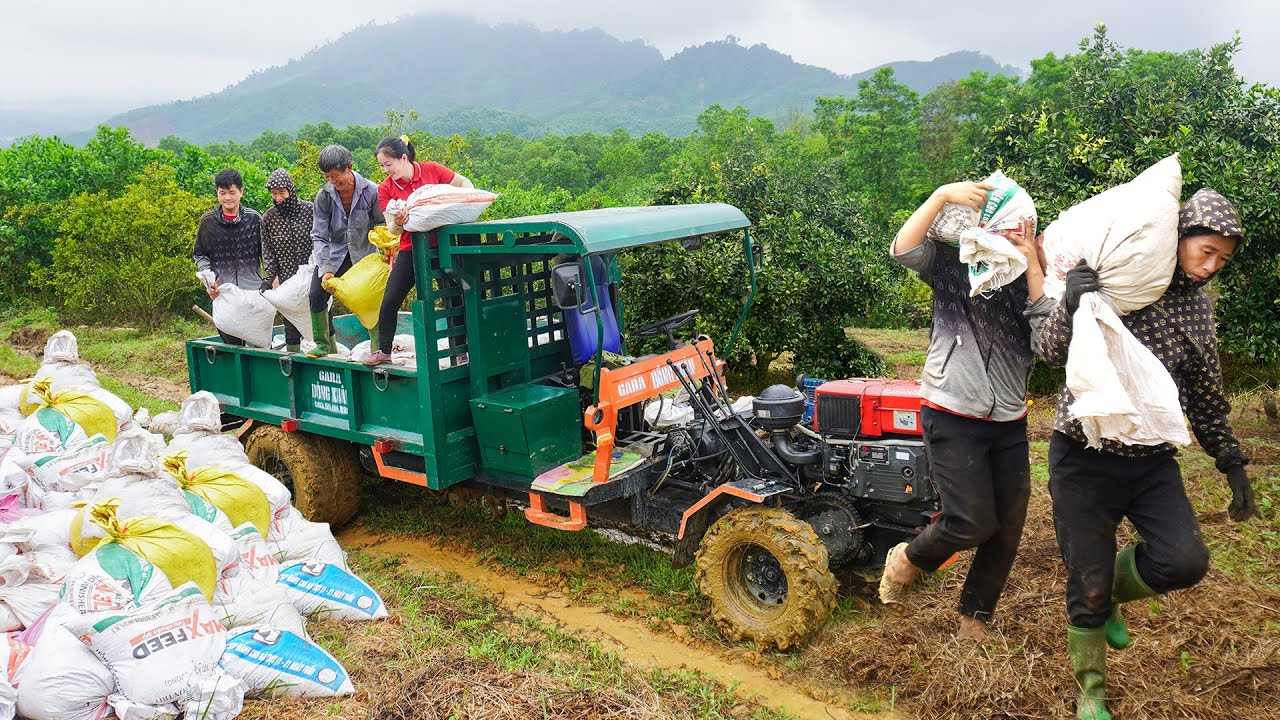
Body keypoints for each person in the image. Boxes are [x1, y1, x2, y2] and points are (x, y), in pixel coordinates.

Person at [1036, 188, 1256, 720]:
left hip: (1151, 460)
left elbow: (1204, 391)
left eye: (1222, 260)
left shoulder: (1197, 309)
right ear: (1176, 237)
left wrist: (1231, 462)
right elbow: (1048, 354)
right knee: (1085, 584)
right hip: (1083, 455)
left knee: (1184, 561)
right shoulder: (1118, 281)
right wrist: (1071, 303)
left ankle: (1109, 590)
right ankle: (1091, 690)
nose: (1211, 266)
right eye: (1205, 251)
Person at [878, 180, 1054, 641]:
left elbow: (1051, 347)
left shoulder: (1034, 280)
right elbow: (902, 249)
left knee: (1007, 527)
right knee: (970, 521)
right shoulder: (955, 267)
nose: (1018, 235)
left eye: (1027, 229)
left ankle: (974, 620)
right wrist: (939, 196)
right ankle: (908, 558)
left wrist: (1034, 264)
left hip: (1010, 419)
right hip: (952, 410)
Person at [362, 135, 473, 366]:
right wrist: (400, 221)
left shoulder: (432, 170)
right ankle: (383, 351)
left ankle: (459, 352)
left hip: (443, 245)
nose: (385, 170)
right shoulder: (386, 189)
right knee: (391, 298)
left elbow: (465, 184)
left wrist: (460, 202)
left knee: (453, 297)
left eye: (388, 164)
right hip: (411, 249)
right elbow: (392, 229)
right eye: (381, 166)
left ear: (404, 158)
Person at [308, 144, 386, 358]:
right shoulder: (323, 197)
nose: (333, 181)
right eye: (327, 177)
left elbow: (382, 225)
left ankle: (378, 347)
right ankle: (324, 344)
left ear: (349, 168)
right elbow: (319, 235)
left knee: (371, 300)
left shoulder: (372, 191)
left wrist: (387, 253)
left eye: (335, 176)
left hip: (364, 255)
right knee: (316, 294)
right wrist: (325, 269)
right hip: (334, 256)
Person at [193, 168, 263, 346]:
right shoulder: (208, 222)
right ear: (217, 193)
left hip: (252, 293)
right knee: (232, 345)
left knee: (258, 345)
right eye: (222, 193)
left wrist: (272, 279)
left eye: (232, 192)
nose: (227, 198)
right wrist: (208, 278)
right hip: (223, 294)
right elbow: (200, 253)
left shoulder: (254, 219)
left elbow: (267, 253)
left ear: (241, 192)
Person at [261, 168, 315, 352]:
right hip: (286, 279)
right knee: (290, 326)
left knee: (321, 319)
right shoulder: (269, 218)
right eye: (274, 194)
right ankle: (293, 365)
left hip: (311, 277)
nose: (278, 198)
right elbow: (267, 251)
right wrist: (270, 278)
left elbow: (321, 241)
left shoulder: (309, 210)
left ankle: (328, 360)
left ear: (291, 191)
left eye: (282, 193)